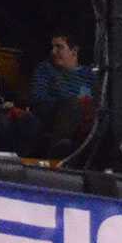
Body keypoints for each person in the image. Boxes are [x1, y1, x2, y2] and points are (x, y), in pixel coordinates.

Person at [29, 30, 96, 159]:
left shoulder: (89, 75)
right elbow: (38, 99)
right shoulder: (45, 69)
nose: (53, 52)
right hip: (54, 113)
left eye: (59, 47)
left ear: (74, 51)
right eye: (52, 47)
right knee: (73, 105)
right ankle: (56, 154)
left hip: (84, 119)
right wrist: (66, 102)